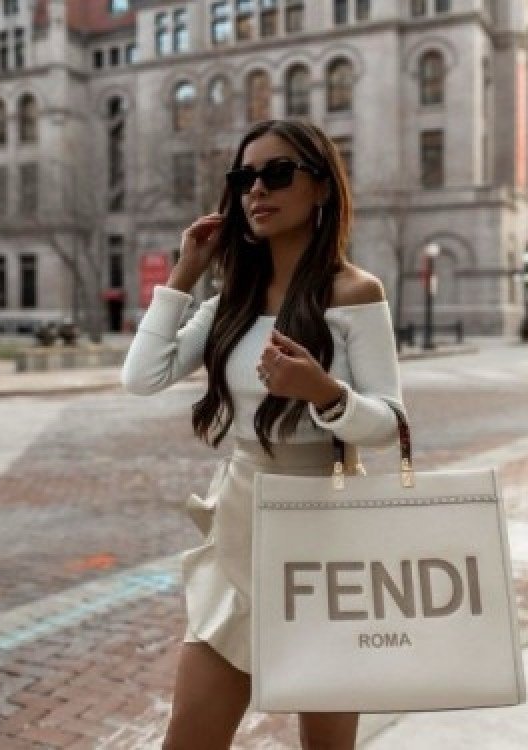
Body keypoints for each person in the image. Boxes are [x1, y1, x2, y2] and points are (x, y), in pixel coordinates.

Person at [121, 118, 406, 750]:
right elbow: (142, 377)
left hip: (328, 536)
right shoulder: (232, 300)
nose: (256, 190)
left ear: (321, 187)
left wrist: (325, 393)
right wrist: (184, 274)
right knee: (189, 740)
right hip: (241, 525)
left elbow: (391, 424)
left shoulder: (355, 291)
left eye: (277, 174)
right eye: (243, 177)